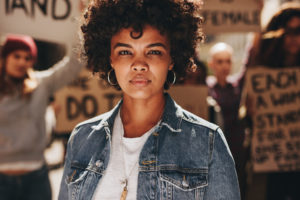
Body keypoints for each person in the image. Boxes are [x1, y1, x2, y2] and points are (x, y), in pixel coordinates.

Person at [58, 0, 240, 199]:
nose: (139, 64)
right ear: (110, 58)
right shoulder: (82, 138)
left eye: (153, 51)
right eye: (125, 52)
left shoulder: (208, 142)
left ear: (171, 59)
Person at [0, 34, 84, 200]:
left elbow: (74, 65)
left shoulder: (42, 84)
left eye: (28, 58)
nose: (22, 62)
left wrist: (75, 29)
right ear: (4, 57)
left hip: (36, 179)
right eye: (16, 56)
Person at [243, 2, 300, 200]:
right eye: (290, 31)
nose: (296, 38)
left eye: (299, 31)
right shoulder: (261, 73)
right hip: (270, 162)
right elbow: (246, 115)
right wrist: (250, 112)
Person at [206, 42, 248, 200]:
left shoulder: (237, 86)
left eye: (228, 61)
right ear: (211, 64)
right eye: (220, 61)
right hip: (213, 150)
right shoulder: (205, 87)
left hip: (236, 147)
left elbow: (248, 66)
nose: (224, 65)